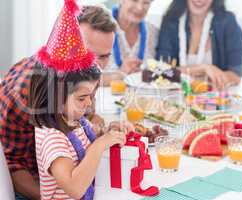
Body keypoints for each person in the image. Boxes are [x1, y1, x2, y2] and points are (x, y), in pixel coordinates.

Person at [0, 4, 116, 200]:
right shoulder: (24, 93)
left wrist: (102, 130)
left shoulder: (83, 76)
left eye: (104, 57)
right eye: (89, 54)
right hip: (31, 183)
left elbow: (84, 117)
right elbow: (13, 167)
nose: (96, 65)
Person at [156, 0, 242, 89]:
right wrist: (203, 68)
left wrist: (191, 78)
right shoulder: (170, 22)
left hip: (215, 100)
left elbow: (236, 76)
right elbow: (161, 70)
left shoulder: (228, 21)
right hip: (174, 99)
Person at [109, 0, 159, 74]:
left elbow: (160, 70)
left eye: (146, 2)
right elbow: (86, 78)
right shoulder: (99, 27)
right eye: (134, 0)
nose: (140, 8)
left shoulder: (154, 32)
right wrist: (119, 74)